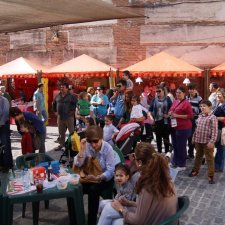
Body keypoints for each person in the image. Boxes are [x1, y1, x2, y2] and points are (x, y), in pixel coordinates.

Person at [108, 142, 177, 225]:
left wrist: (121, 209)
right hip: (164, 220)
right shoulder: (164, 177)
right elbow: (149, 205)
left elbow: (138, 221)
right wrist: (130, 203)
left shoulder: (147, 185)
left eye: (135, 158)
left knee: (114, 219)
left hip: (156, 221)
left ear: (139, 162)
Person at [73, 125, 115, 225]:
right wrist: (82, 149)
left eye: (95, 141)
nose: (93, 144)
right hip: (88, 177)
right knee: (74, 189)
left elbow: (110, 171)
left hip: (103, 179)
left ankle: (91, 222)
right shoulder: (87, 145)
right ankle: (74, 219)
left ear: (101, 138)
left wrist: (98, 177)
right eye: (90, 141)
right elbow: (78, 164)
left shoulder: (108, 149)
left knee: (93, 190)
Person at [189, 100, 218, 184]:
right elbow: (197, 128)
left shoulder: (213, 117)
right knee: (198, 156)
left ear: (210, 107)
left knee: (209, 158)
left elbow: (215, 131)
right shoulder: (200, 116)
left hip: (207, 142)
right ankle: (195, 170)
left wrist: (212, 142)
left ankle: (210, 175)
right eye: (201, 106)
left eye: (204, 106)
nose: (202, 108)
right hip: (198, 140)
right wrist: (194, 137)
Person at [168, 86, 193, 171]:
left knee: (181, 146)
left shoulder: (187, 103)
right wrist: (170, 112)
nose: (178, 94)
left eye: (180, 92)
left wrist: (177, 115)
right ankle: (175, 161)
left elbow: (190, 116)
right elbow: (171, 110)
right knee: (175, 145)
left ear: (184, 94)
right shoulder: (175, 101)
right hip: (174, 127)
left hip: (183, 128)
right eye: (177, 92)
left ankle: (182, 165)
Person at [52, 83, 77, 151]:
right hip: (60, 117)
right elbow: (53, 103)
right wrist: (55, 111)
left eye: (63, 87)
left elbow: (75, 104)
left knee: (71, 131)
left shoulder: (71, 96)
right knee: (61, 132)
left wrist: (72, 112)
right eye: (61, 87)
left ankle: (73, 146)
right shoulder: (58, 96)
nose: (62, 88)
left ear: (67, 88)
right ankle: (61, 145)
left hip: (69, 117)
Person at [148, 85, 172, 153]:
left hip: (165, 122)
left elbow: (172, 109)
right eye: (156, 91)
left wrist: (168, 115)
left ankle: (167, 154)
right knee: (158, 139)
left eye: (159, 91)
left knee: (166, 139)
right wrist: (151, 118)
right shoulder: (154, 99)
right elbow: (149, 110)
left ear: (163, 91)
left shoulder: (168, 99)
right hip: (157, 122)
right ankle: (159, 154)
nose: (158, 92)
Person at [186, 83, 202, 159]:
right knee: (189, 137)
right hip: (187, 120)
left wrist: (194, 111)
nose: (190, 90)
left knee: (193, 137)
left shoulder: (199, 99)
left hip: (195, 120)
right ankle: (190, 153)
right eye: (189, 89)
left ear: (195, 89)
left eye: (192, 89)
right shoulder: (186, 98)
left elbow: (201, 110)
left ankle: (196, 153)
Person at [213, 88, 225, 172]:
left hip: (223, 129)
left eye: (219, 94)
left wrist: (215, 118)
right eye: (217, 94)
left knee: (221, 148)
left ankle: (218, 166)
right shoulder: (218, 104)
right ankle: (217, 165)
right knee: (219, 148)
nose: (217, 95)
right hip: (218, 129)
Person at [0, 92, 13, 171]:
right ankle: (1, 164)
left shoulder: (4, 100)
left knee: (6, 145)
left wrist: (0, 123)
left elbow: (5, 114)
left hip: (4, 125)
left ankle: (8, 164)